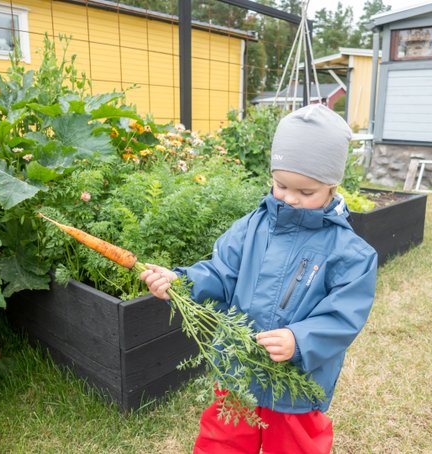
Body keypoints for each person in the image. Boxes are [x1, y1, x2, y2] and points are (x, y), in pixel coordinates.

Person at [140, 104, 378, 454]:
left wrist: (299, 339)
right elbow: (221, 274)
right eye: (281, 185)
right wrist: (181, 281)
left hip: (297, 383)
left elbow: (343, 317)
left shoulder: (350, 253)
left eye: (306, 192)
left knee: (295, 447)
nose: (290, 198)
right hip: (238, 370)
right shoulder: (251, 227)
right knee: (222, 442)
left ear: (332, 185)